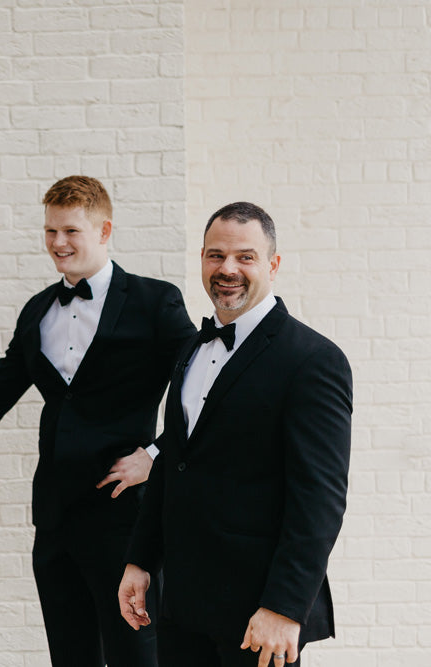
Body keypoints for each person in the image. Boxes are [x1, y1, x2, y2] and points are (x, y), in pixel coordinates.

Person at [0, 175, 196, 666]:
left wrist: (156, 456)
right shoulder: (37, 311)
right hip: (56, 520)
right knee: (70, 657)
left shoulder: (154, 301)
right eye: (51, 231)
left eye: (71, 231)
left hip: (125, 518)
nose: (58, 243)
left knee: (136, 657)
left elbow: (200, 388)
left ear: (104, 231)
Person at [117, 202, 352, 667]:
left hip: (258, 611)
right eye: (215, 255)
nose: (228, 269)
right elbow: (173, 462)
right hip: (182, 603)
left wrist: (285, 607)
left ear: (273, 265)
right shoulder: (190, 349)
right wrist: (140, 561)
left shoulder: (312, 360)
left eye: (245, 256)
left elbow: (320, 498)